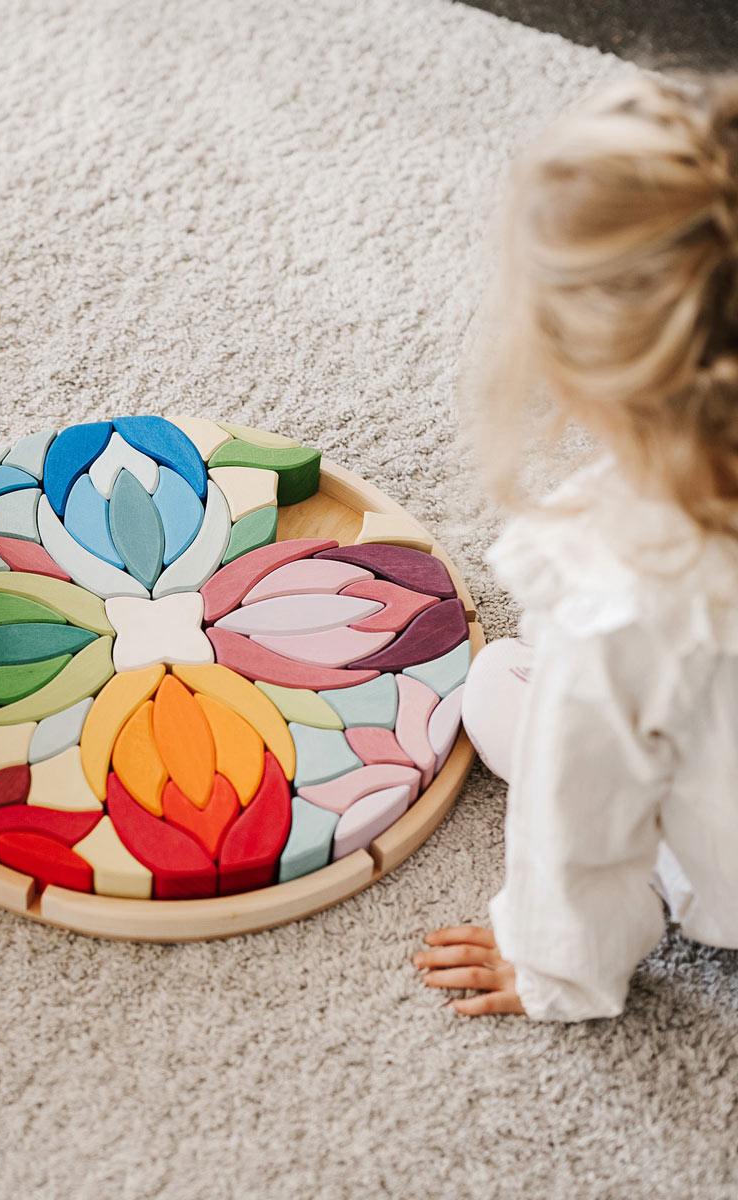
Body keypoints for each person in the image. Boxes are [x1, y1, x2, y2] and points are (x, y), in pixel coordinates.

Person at [414, 76, 738, 1019]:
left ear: (578, 374)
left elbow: (577, 827)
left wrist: (553, 964)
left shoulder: (620, 589)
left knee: (498, 683)